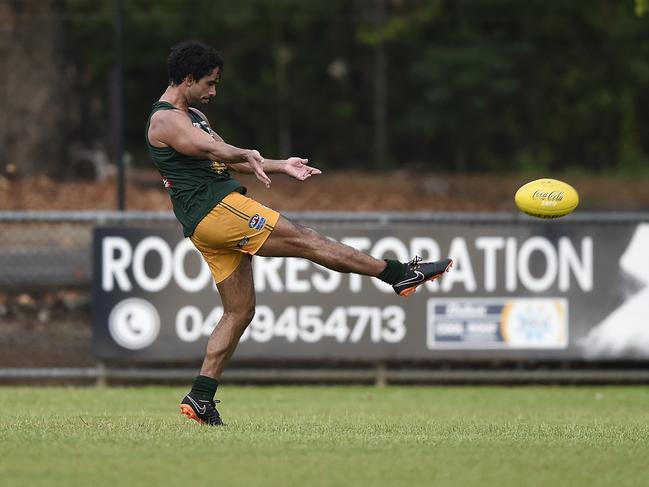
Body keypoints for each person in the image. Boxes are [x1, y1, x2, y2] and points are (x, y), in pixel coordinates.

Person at [145, 40, 453, 426]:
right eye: (209, 83)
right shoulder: (166, 120)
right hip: (217, 210)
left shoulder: (192, 115)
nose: (213, 92)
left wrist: (280, 165)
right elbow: (212, 150)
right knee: (307, 239)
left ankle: (200, 398)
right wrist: (242, 153)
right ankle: (397, 273)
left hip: (207, 222)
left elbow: (227, 155)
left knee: (239, 310)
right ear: (188, 79)